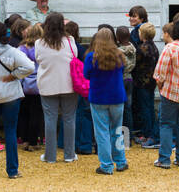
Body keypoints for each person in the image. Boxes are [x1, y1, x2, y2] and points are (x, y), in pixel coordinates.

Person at [0, 20, 36, 178]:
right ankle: (12, 170)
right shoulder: (13, 52)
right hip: (10, 95)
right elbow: (30, 67)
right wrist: (14, 75)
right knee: (10, 131)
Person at [35, 13, 79, 162]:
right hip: (68, 84)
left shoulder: (39, 43)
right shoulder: (70, 40)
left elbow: (38, 59)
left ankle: (50, 156)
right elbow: (75, 56)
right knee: (69, 119)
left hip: (47, 85)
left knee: (50, 120)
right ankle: (69, 154)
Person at [152, 15, 179, 170]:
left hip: (170, 91)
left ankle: (164, 158)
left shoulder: (170, 48)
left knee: (166, 125)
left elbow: (159, 73)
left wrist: (160, 86)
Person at [84, 27, 129, 175]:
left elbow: (86, 75)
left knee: (102, 132)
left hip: (99, 97)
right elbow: (123, 71)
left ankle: (106, 165)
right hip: (117, 97)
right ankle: (121, 161)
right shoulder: (119, 55)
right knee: (117, 130)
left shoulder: (92, 57)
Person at [65, 20, 94, 155]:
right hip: (81, 84)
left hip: (67, 83)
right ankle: (84, 143)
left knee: (70, 114)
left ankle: (67, 143)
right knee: (84, 113)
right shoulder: (80, 49)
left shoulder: (63, 48)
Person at [131, 22, 160, 148]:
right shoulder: (154, 46)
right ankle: (150, 132)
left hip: (142, 82)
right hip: (151, 82)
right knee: (149, 106)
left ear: (141, 34)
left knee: (145, 109)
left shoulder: (142, 48)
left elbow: (134, 64)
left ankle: (147, 134)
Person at [17, 23, 43, 151]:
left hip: (24, 84)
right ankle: (33, 141)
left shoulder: (21, 48)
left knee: (23, 113)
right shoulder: (41, 48)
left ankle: (25, 140)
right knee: (36, 114)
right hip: (38, 84)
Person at [115, 26, 137, 145]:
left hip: (121, 79)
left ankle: (121, 137)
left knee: (120, 109)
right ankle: (129, 137)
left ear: (117, 37)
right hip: (130, 78)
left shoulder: (118, 51)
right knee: (128, 109)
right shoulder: (133, 48)